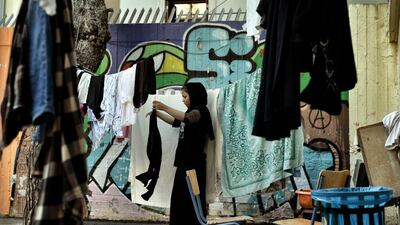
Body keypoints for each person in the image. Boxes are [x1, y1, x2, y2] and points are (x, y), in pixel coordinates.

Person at [151, 82, 214, 225]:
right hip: (184, 163)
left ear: (195, 96)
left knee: (193, 199)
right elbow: (175, 121)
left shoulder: (200, 111)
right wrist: (158, 114)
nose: (183, 100)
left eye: (185, 96)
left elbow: (187, 118)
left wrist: (165, 107)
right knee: (180, 199)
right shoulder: (190, 113)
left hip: (194, 165)